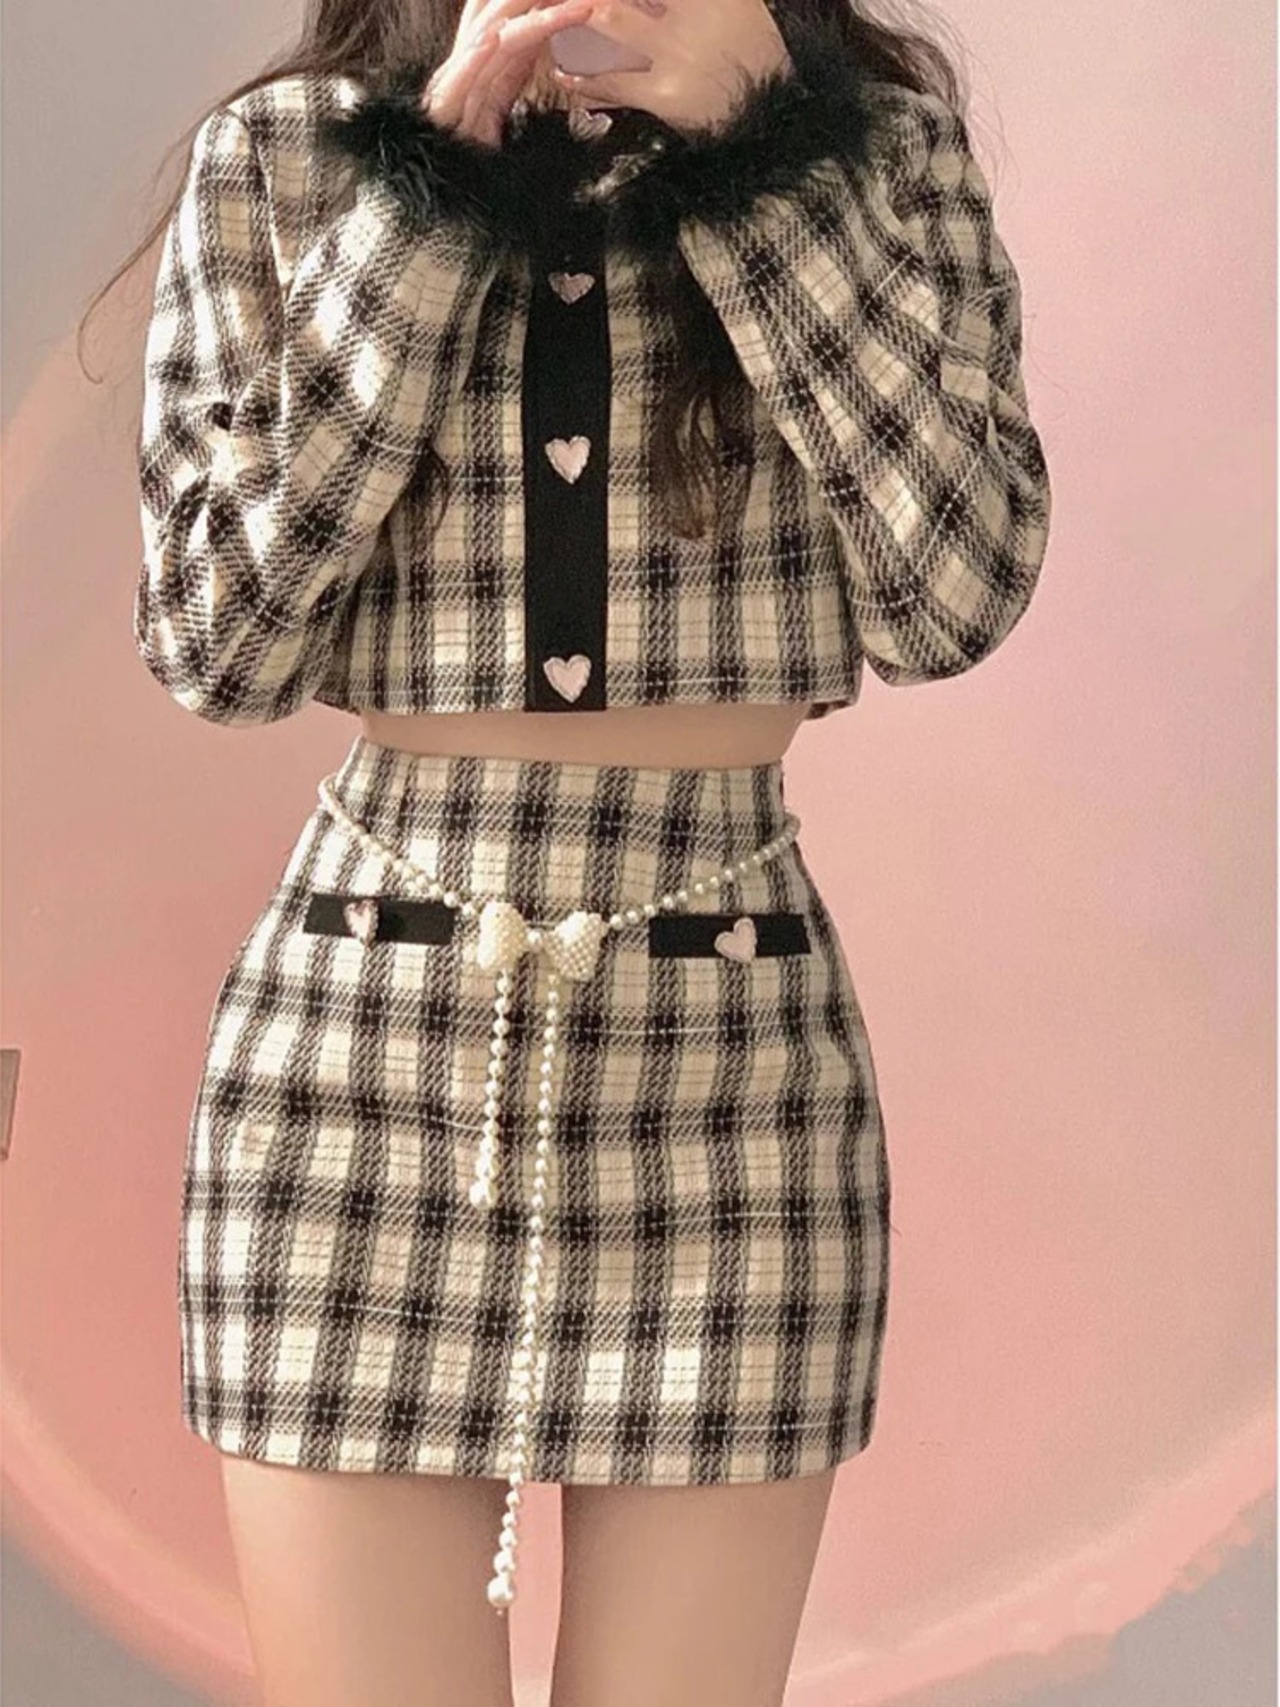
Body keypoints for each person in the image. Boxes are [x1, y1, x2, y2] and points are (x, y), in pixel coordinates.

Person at [106, 0, 1053, 1699]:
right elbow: (213, 642)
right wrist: (425, 204)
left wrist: (770, 171)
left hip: (736, 1062)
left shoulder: (884, 162)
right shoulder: (292, 160)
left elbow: (958, 591)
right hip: (357, 1057)